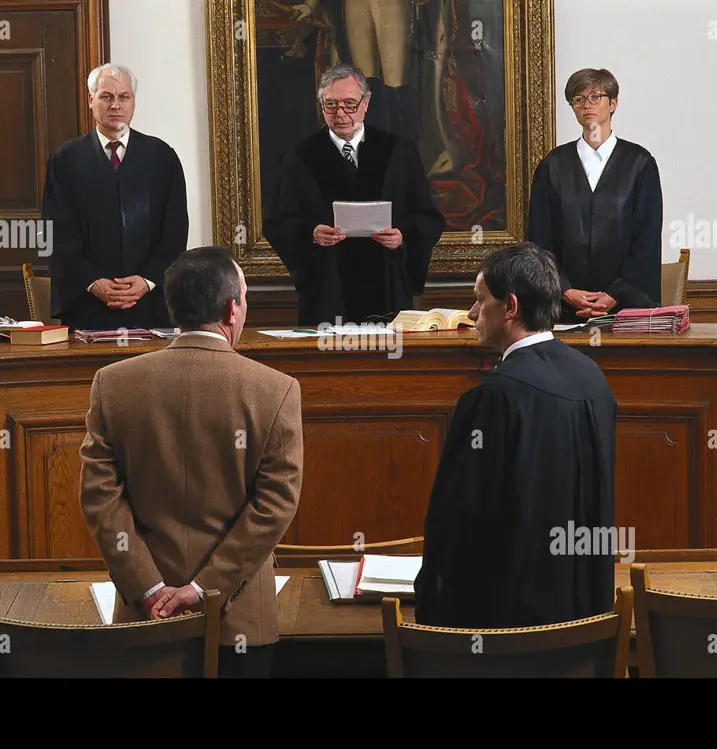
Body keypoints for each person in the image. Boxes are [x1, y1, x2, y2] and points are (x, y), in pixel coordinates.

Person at [79, 246, 303, 677]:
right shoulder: (276, 390)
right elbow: (274, 506)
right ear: (232, 309)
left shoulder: (113, 384)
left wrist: (148, 586)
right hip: (238, 625)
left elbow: (99, 496)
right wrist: (205, 590)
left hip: (147, 618)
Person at [413, 242, 617, 629]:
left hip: (509, 635)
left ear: (510, 307)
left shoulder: (491, 399)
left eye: (478, 301)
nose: (472, 314)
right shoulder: (592, 378)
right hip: (588, 621)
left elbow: (456, 525)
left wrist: (431, 612)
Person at [263, 63, 444, 326]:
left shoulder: (398, 153)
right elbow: (278, 222)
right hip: (328, 293)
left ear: (366, 103)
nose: (341, 113)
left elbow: (428, 218)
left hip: (387, 287)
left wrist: (402, 235)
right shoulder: (299, 159)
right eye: (331, 104)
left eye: (349, 104)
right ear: (321, 105)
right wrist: (311, 233)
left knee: (387, 364)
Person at [42, 63, 189, 330]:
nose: (115, 105)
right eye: (106, 96)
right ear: (91, 100)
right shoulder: (65, 160)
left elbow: (175, 231)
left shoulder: (161, 157)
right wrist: (92, 281)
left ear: (133, 101)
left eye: (124, 97)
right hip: (86, 304)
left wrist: (146, 280)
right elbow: (55, 234)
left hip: (150, 304)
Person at [527, 68, 662, 323]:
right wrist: (564, 290)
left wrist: (614, 295)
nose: (586, 105)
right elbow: (539, 241)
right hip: (564, 309)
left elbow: (647, 239)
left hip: (627, 308)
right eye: (578, 100)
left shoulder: (639, 164)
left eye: (595, 97)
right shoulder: (553, 166)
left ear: (613, 103)